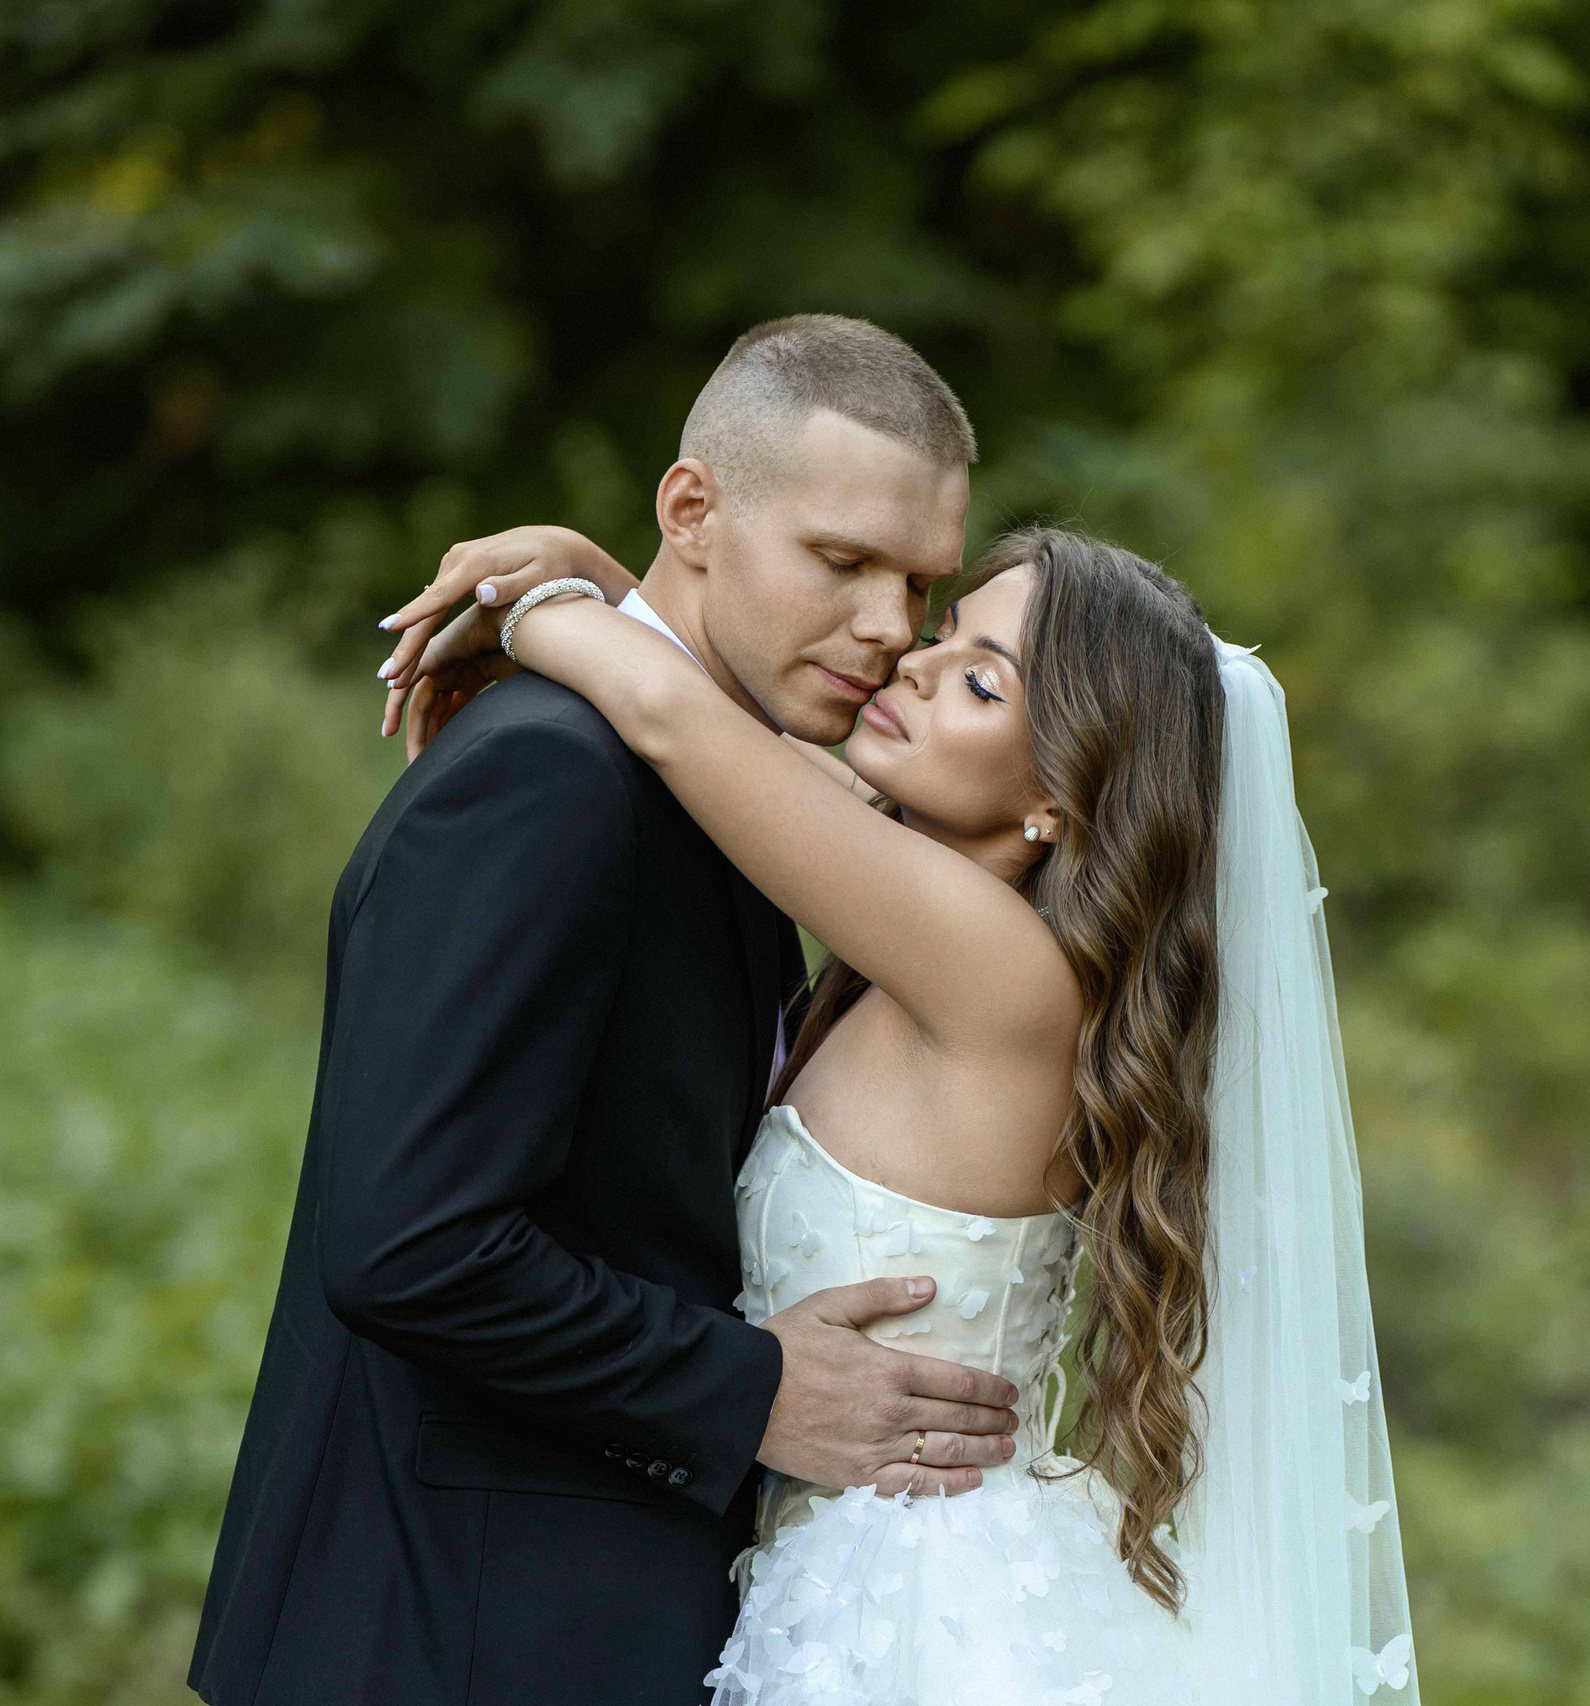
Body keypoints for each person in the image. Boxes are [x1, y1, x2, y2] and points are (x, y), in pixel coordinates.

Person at [374, 518, 1420, 1705]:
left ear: (1059, 796)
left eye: (981, 681)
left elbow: (676, 721)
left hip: (922, 1605)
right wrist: (607, 578)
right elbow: (739, 742)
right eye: (945, 634)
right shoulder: (941, 912)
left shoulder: (997, 968)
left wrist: (526, 607)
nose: (913, 664)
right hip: (848, 1567)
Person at [189, 316, 1031, 1706]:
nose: (891, 626)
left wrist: (580, 587)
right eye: (842, 561)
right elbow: (411, 1244)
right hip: (443, 1638)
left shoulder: (721, 776)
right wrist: (749, 1390)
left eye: (921, 583)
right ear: (692, 509)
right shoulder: (551, 776)